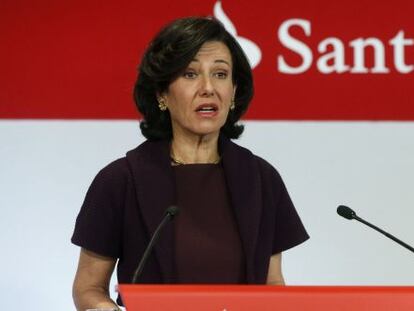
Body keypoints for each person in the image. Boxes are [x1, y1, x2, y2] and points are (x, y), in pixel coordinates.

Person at [71, 16, 309, 310]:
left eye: (221, 74)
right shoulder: (121, 180)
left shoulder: (261, 178)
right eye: (189, 74)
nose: (208, 88)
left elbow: (272, 283)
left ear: (234, 91)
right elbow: (88, 288)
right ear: (161, 94)